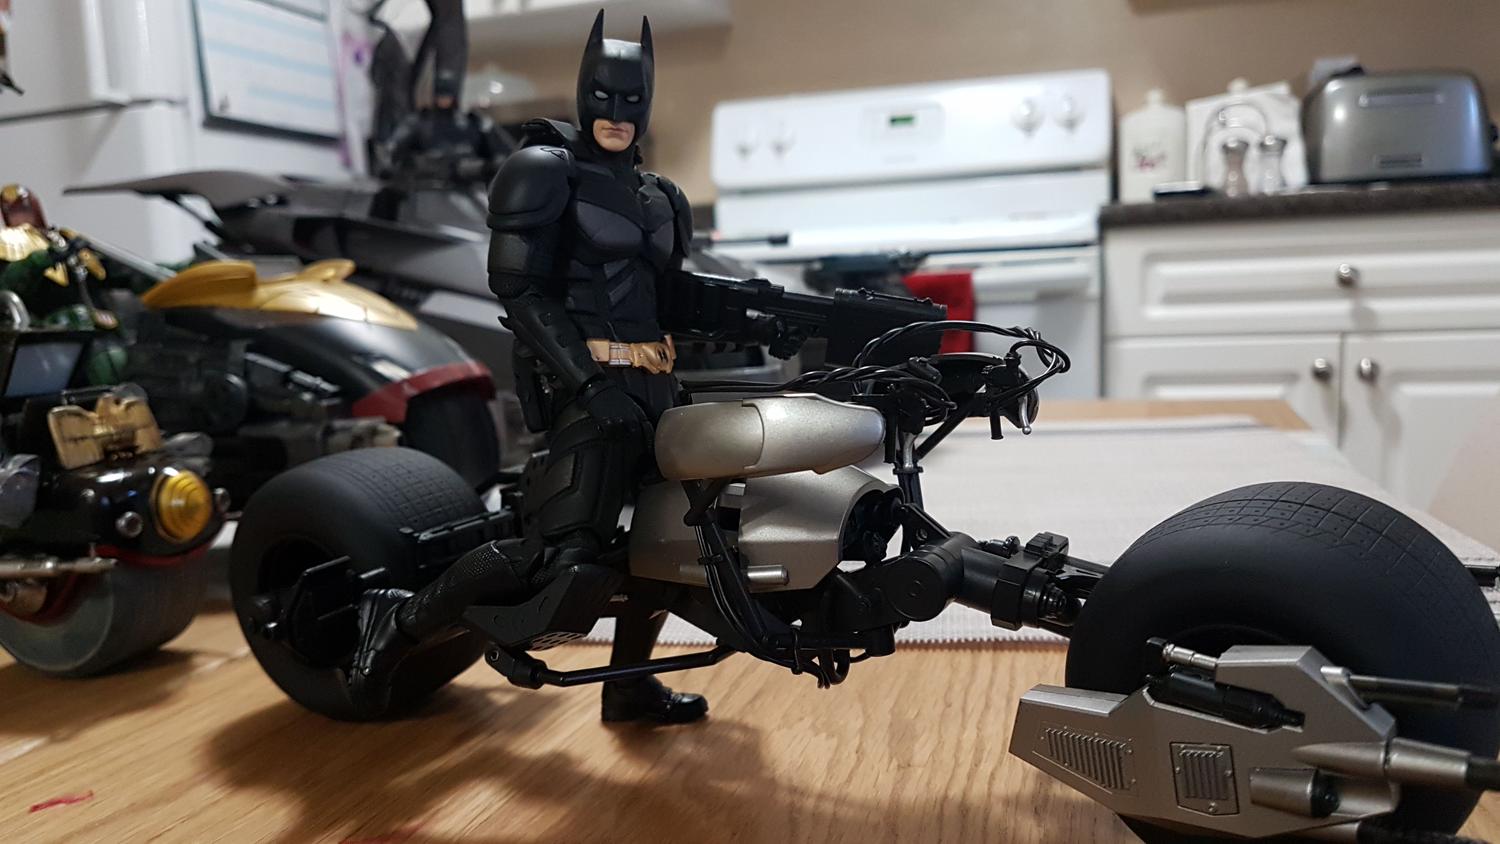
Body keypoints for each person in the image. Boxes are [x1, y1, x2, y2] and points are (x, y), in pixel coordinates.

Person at [350, 11, 805, 723]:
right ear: (583, 93)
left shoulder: (662, 198)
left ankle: (628, 686)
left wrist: (762, 320)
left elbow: (669, 297)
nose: (616, 113)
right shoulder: (543, 170)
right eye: (603, 96)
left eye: (632, 99)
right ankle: (399, 622)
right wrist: (589, 387)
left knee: (664, 543)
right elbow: (520, 291)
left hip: (657, 388)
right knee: (561, 557)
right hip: (583, 388)